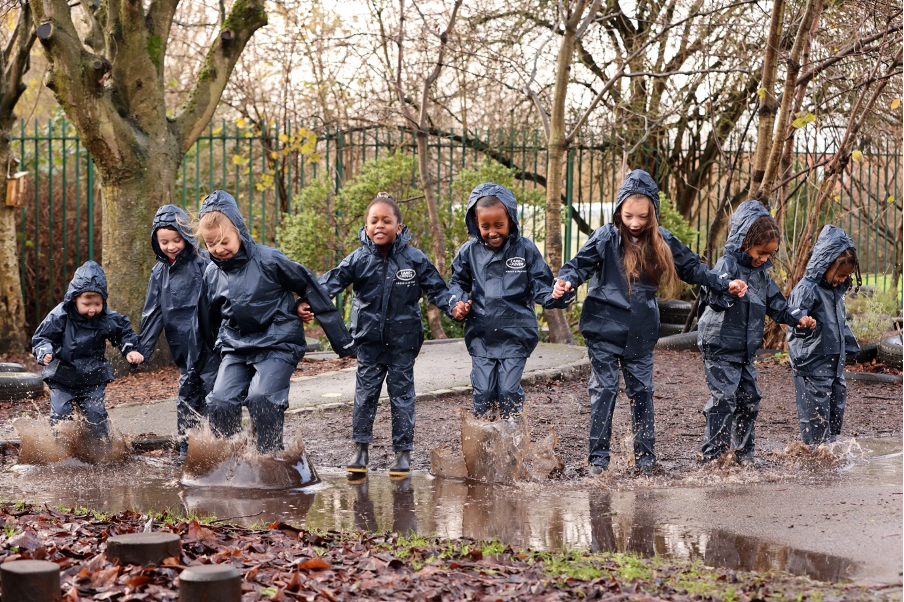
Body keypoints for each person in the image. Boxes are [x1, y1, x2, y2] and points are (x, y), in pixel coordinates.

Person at [552, 169, 747, 475]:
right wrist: (565, 282)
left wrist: (725, 284)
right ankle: (598, 462)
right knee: (604, 390)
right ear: (619, 210)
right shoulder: (605, 238)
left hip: (640, 334)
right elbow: (577, 267)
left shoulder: (662, 241)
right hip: (603, 330)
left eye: (643, 216)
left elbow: (694, 268)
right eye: (629, 215)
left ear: (653, 214)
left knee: (642, 392)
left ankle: (645, 460)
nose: (635, 223)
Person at [198, 190, 355, 455]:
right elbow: (207, 319)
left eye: (224, 241)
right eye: (211, 244)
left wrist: (342, 341)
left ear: (239, 230)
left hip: (278, 342)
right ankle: (227, 460)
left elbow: (309, 285)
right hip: (237, 346)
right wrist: (204, 360)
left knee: (261, 398)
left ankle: (269, 457)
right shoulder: (212, 273)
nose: (218, 249)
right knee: (220, 401)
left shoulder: (269, 260)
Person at [318, 192, 454, 478]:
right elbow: (330, 282)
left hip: (403, 342)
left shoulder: (414, 259)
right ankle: (360, 451)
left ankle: (403, 454)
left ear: (399, 227)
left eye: (386, 221)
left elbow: (438, 290)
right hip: (368, 342)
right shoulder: (357, 259)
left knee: (402, 397)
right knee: (364, 396)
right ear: (366, 227)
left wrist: (456, 306)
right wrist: (308, 301)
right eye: (374, 221)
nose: (380, 226)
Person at [696, 201, 816, 464]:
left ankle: (742, 454)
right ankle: (714, 456)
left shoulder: (761, 275)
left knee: (750, 399)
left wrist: (799, 318)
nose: (763, 259)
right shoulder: (727, 265)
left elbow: (778, 306)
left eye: (768, 255)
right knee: (724, 400)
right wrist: (728, 289)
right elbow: (712, 296)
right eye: (761, 252)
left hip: (744, 351)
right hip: (719, 346)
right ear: (744, 240)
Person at [448, 182, 569, 418]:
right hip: (481, 334)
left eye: (499, 225)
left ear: (511, 220)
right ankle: (484, 440)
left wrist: (555, 294)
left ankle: (512, 440)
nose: (492, 231)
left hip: (516, 333)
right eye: (485, 226)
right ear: (476, 223)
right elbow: (457, 283)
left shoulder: (525, 250)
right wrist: (457, 303)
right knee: (482, 392)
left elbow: (541, 286)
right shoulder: (469, 252)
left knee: (507, 390)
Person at [138, 204, 219, 462]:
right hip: (182, 348)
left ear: (186, 236)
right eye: (164, 242)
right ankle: (188, 450)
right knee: (187, 397)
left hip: (211, 346)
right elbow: (153, 313)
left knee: (216, 396)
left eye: (176, 240)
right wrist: (143, 349)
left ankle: (221, 448)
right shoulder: (159, 273)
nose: (171, 246)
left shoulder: (205, 262)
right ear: (156, 242)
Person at [32, 261, 144, 439]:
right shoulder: (60, 316)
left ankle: (99, 451)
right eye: (87, 303)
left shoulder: (105, 318)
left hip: (93, 377)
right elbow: (43, 337)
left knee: (95, 415)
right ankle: (59, 452)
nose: (92, 309)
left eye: (97, 304)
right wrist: (44, 351)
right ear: (75, 298)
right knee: (60, 415)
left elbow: (124, 333)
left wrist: (130, 349)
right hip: (62, 376)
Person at [787, 225, 861, 446]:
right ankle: (815, 453)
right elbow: (794, 314)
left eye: (845, 276)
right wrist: (802, 320)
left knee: (835, 406)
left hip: (833, 363)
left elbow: (838, 322)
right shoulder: (807, 289)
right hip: (812, 362)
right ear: (825, 264)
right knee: (815, 415)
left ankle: (828, 449)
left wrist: (850, 345)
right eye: (839, 275)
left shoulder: (836, 291)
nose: (841, 280)